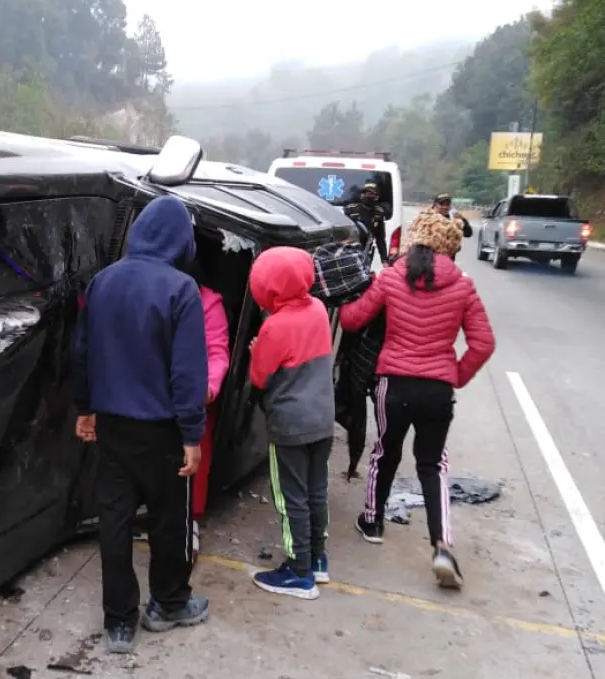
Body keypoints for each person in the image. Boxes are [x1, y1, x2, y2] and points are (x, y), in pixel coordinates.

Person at [71, 195, 210, 654]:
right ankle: (168, 605)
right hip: (163, 432)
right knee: (169, 521)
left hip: (112, 425)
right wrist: (192, 434)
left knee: (114, 521)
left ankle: (118, 624)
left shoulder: (103, 282)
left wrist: (85, 407)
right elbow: (188, 372)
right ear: (179, 240)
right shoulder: (181, 289)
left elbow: (81, 352)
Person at [340, 211, 495, 589]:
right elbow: (484, 343)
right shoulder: (463, 286)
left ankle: (372, 522)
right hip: (437, 390)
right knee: (433, 464)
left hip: (392, 385)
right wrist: (455, 374)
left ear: (413, 241)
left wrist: (341, 293)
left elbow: (353, 320)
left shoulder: (391, 277)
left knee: (385, 452)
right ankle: (442, 545)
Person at [247, 246, 335, 599]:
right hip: (322, 420)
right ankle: (316, 559)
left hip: (290, 426)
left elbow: (259, 378)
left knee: (290, 497)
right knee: (316, 490)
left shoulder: (274, 326)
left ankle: (299, 574)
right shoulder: (318, 309)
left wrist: (256, 351)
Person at [184, 258, 231, 562]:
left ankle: (189, 523)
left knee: (193, 464)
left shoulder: (208, 303)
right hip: (150, 395)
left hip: (193, 398)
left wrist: (209, 387)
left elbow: (217, 351)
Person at [345, 182, 390, 264]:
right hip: (349, 253)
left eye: (371, 194)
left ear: (376, 197)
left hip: (366, 254)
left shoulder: (378, 213)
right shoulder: (351, 209)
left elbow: (380, 238)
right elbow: (341, 232)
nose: (368, 196)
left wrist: (384, 259)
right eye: (366, 193)